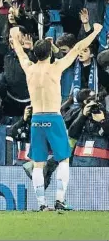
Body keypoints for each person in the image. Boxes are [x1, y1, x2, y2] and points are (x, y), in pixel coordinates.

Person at [10, 24, 102, 211]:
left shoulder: (29, 68)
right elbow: (77, 48)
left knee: (38, 164)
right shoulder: (56, 67)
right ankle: (59, 199)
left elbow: (19, 52)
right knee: (63, 159)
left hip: (36, 119)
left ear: (35, 54)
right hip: (53, 118)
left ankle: (42, 204)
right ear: (50, 54)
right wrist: (95, 31)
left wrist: (13, 33)